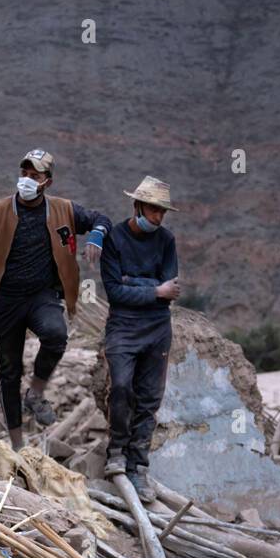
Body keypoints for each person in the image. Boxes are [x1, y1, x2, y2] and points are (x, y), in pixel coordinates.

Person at [0, 149, 111, 448]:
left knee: (56, 334)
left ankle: (36, 392)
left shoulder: (63, 209)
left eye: (35, 176)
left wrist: (96, 234)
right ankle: (17, 443)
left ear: (47, 181)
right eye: (25, 174)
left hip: (43, 295)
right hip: (5, 300)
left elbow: (100, 218)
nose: (28, 180)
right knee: (9, 372)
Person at [99, 176, 182, 502]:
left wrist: (135, 283)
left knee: (149, 397)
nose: (158, 217)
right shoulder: (114, 239)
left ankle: (138, 464)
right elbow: (115, 292)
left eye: (162, 211)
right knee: (121, 386)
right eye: (152, 209)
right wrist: (152, 289)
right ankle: (116, 450)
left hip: (157, 328)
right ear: (137, 206)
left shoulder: (167, 240)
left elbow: (170, 290)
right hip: (123, 326)